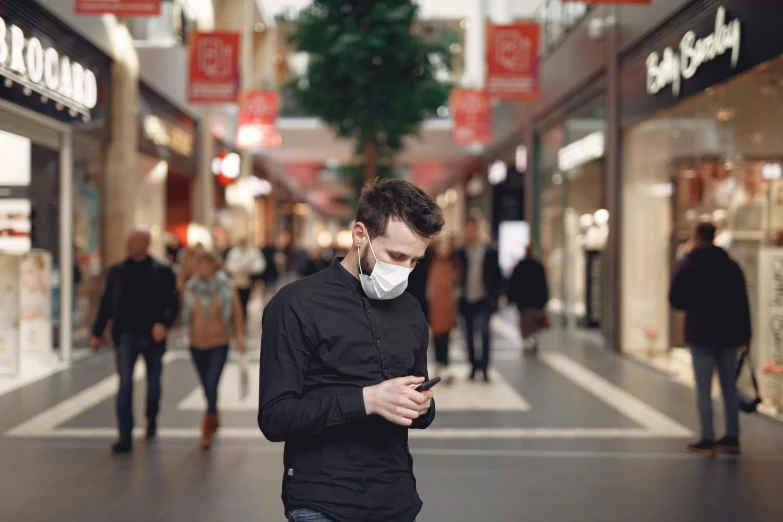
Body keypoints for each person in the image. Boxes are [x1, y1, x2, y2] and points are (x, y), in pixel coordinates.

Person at [258, 179, 445, 522]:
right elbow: (275, 417)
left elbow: (418, 407)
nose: (404, 271)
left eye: (415, 261)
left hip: (396, 497)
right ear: (360, 235)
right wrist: (366, 400)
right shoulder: (296, 305)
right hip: (322, 501)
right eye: (396, 256)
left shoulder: (411, 310)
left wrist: (421, 406)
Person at [91, 228, 178, 454]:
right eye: (129, 240)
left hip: (153, 335)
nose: (130, 244)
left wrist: (164, 323)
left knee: (154, 383)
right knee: (126, 383)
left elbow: (173, 302)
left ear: (147, 244)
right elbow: (107, 302)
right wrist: (97, 332)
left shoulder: (163, 270)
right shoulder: (117, 271)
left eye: (136, 240)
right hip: (125, 335)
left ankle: (151, 418)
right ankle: (125, 434)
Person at [669, 222, 751, 456]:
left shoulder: (689, 264)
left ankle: (707, 436)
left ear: (696, 236)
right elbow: (742, 302)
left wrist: (692, 307)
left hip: (700, 333)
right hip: (729, 334)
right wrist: (747, 334)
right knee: (728, 386)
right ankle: (732, 435)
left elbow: (675, 297)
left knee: (703, 388)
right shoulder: (731, 265)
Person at [181, 250, 246, 449]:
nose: (199, 269)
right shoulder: (190, 288)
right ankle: (213, 412)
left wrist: (239, 338)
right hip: (196, 344)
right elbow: (181, 315)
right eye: (196, 265)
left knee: (211, 383)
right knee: (205, 385)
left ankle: (207, 425)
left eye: (203, 264)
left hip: (219, 341)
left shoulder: (226, 287)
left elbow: (236, 314)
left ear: (212, 266)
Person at [456, 218, 502, 382]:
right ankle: (473, 366)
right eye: (467, 228)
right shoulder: (460, 252)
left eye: (472, 228)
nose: (470, 232)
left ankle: (485, 367)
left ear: (477, 229)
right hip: (466, 299)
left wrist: (497, 297)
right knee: (468, 335)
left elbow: (496, 275)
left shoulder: (489, 251)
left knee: (484, 333)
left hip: (484, 299)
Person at [508, 243, 550, 355]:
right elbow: (544, 285)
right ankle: (531, 342)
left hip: (525, 303)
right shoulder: (538, 266)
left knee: (526, 326)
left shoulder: (521, 266)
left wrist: (512, 299)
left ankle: (528, 343)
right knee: (534, 326)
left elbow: (513, 284)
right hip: (535, 303)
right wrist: (545, 299)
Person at [427, 237, 458, 384]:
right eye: (441, 248)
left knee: (446, 337)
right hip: (435, 307)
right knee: (437, 337)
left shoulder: (452, 266)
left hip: (448, 307)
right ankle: (439, 364)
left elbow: (455, 289)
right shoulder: (432, 264)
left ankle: (445, 364)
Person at [225, 238, 266, 321]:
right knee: (237, 304)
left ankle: (243, 319)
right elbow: (228, 266)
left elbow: (260, 265)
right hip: (236, 283)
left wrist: (250, 269)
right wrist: (239, 269)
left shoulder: (253, 252)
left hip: (247, 282)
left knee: (245, 303)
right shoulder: (233, 252)